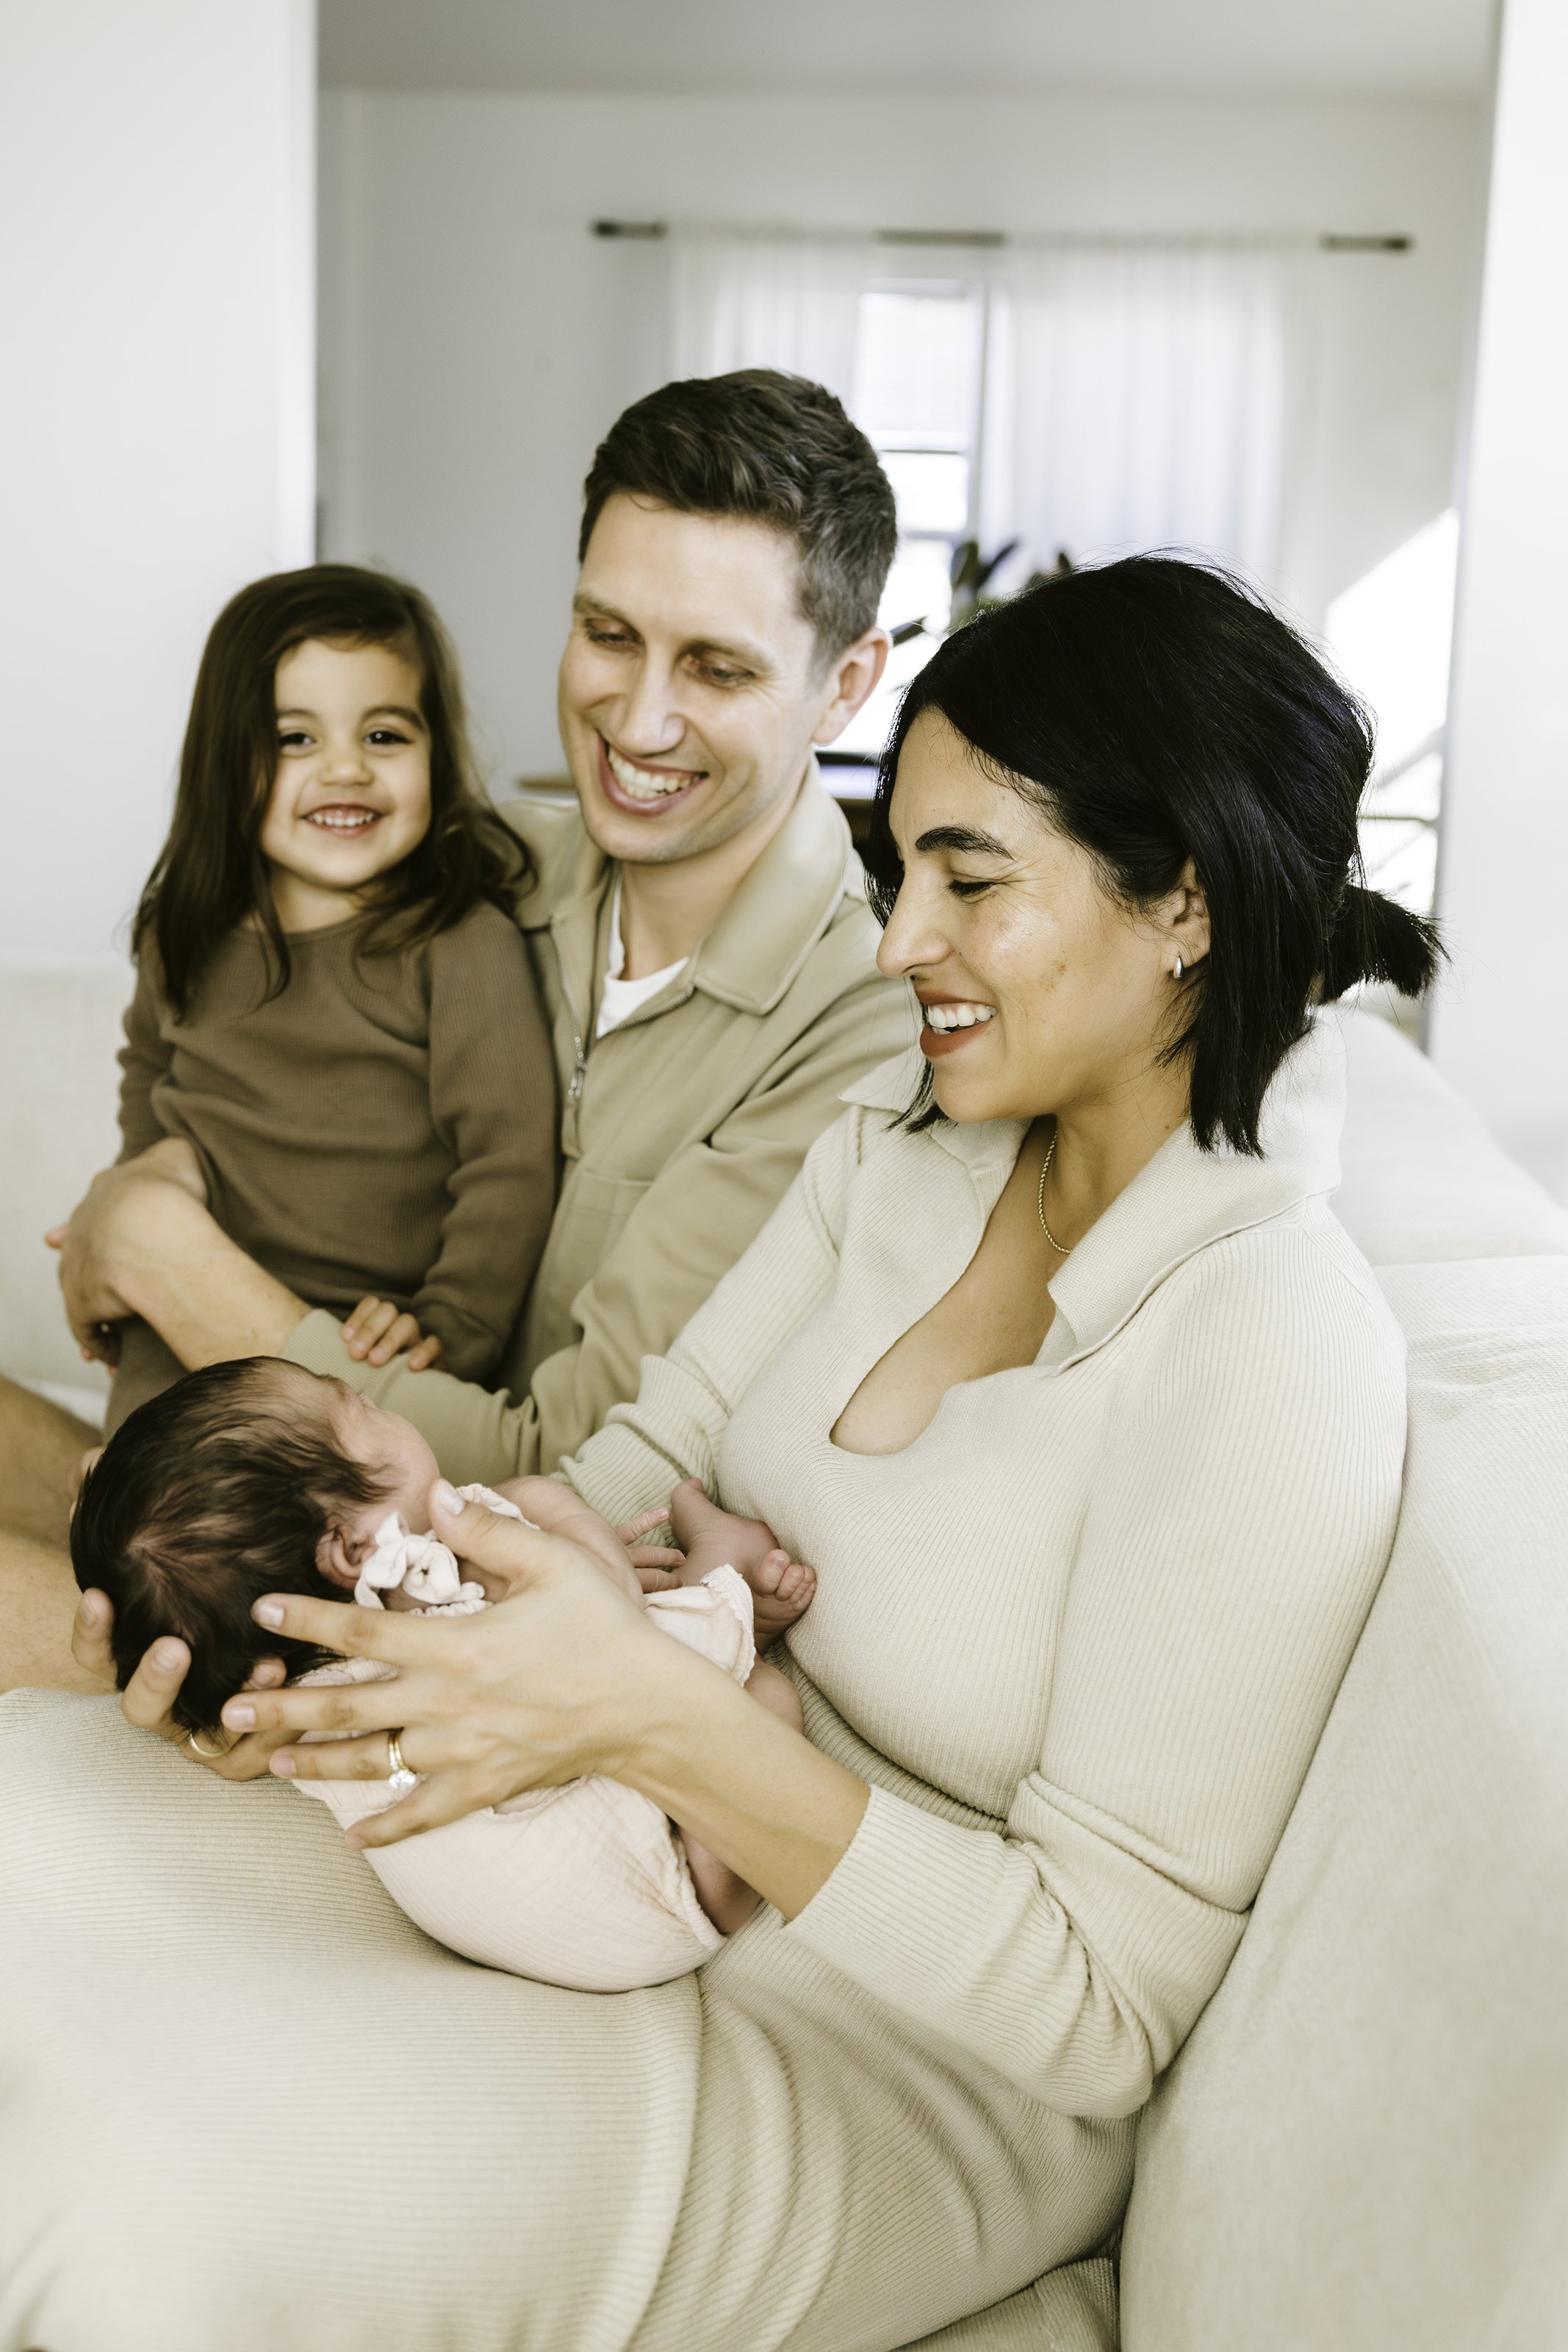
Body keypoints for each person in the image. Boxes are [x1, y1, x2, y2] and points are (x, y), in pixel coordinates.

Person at [1, 556, 1439, 2345]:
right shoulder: (892, 1153)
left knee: (108, 2210)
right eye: (897, 866)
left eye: (967, 882)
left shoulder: (1264, 1337)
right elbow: (633, 1467)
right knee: (27, 1826)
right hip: (585, 1798)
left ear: (1186, 908)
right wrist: (337, 1664)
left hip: (885, 2040)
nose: (901, 936)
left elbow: (1097, 2013)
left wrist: (640, 1709)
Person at [0, 368, 912, 1685]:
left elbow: (579, 1462)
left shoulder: (856, 1029)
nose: (638, 719)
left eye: (715, 666)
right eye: (607, 633)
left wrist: (164, 1258)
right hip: (233, 1467)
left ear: (844, 687)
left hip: (451, 1578)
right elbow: (214, 1036)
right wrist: (150, 1178)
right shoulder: (462, 873)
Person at [70, 1355, 814, 1988]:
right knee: (759, 1697)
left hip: (563, 1933)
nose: (378, 1398)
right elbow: (606, 1607)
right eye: (357, 1405)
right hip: (657, 1875)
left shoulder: (296, 1695)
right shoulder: (453, 1579)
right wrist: (584, 1544)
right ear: (353, 1550)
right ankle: (728, 1571)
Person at [98, 563, 556, 1432]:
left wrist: (452, 1325)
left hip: (356, 1339)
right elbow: (148, 1080)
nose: (345, 769)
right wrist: (133, 1214)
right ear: (226, 763)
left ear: (438, 754)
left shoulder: (458, 944)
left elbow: (509, 1161)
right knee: (135, 1510)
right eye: (294, 739)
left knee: (261, 1521)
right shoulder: (184, 932)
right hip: (180, 1317)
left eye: (384, 736)